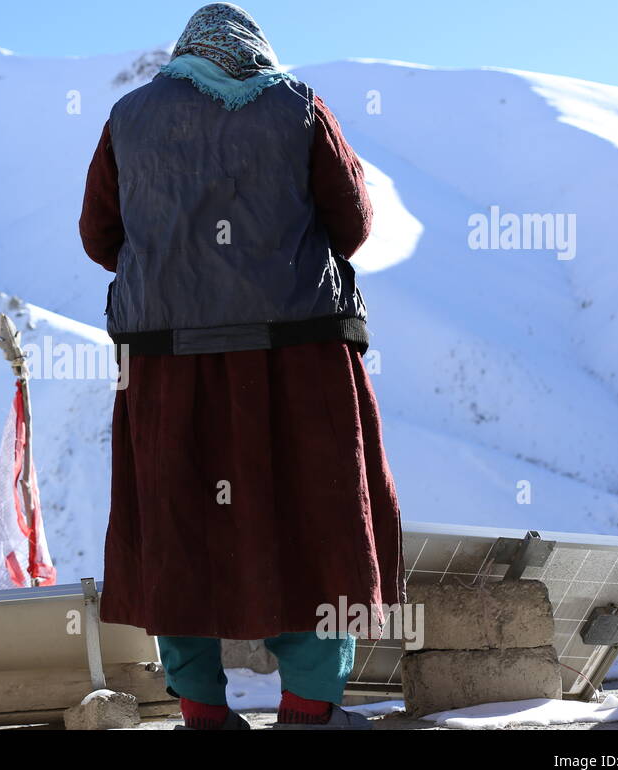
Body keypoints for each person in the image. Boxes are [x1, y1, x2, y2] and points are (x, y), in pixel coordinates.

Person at [79, 2, 404, 730]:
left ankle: (202, 710)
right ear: (258, 52)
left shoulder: (129, 117)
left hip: (168, 366)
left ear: (184, 52)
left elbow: (100, 236)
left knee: (176, 528)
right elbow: (351, 224)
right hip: (299, 360)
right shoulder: (299, 107)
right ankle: (309, 707)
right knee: (316, 519)